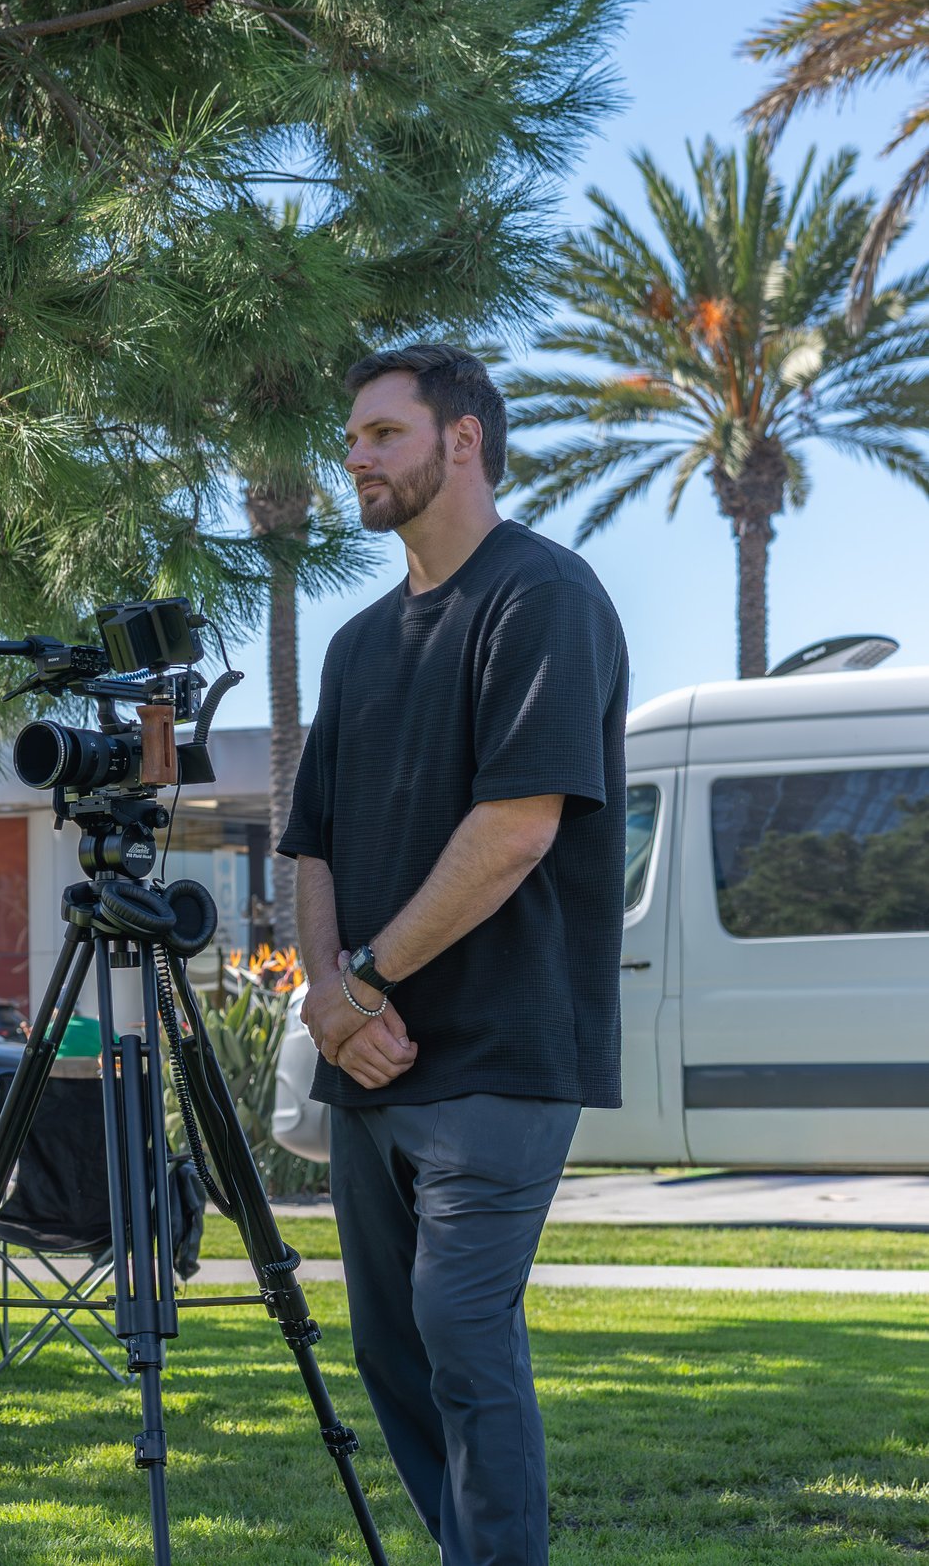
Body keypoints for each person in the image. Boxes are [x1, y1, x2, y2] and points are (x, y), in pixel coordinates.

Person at [279, 345, 627, 1566]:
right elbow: (311, 845)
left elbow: (517, 830)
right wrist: (330, 999)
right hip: (366, 1060)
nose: (356, 456)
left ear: (461, 438)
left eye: (380, 433)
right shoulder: (355, 644)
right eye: (353, 437)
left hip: (503, 1049)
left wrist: (361, 977)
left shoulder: (544, 597)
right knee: (394, 1351)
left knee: (462, 1328)